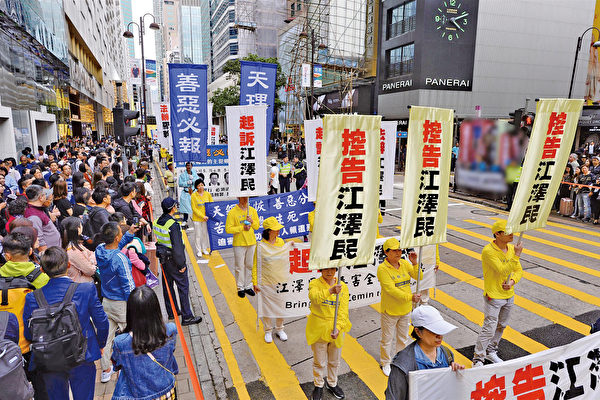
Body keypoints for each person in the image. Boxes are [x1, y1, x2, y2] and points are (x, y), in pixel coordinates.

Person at [23, 246, 108, 400]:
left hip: (49, 358)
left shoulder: (32, 297)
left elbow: (29, 333)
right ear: (68, 265)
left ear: (42, 270)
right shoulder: (86, 289)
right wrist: (100, 343)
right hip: (82, 353)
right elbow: (102, 321)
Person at [111, 286, 179, 399]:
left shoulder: (121, 342)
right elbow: (171, 351)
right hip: (167, 392)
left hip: (139, 396)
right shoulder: (170, 330)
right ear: (156, 309)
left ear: (130, 312)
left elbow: (116, 364)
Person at [385, 306, 464, 400]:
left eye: (441, 330)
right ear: (418, 332)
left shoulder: (447, 354)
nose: (439, 336)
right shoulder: (403, 365)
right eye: (434, 331)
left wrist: (455, 374)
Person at [472, 219, 523, 367]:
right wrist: (517, 256)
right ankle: (478, 358)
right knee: (489, 327)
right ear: (497, 234)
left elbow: (518, 270)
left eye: (511, 231)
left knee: (501, 325)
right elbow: (502, 270)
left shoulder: (512, 249)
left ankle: (491, 350)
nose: (511, 234)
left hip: (509, 295)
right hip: (493, 296)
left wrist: (512, 282)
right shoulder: (488, 251)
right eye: (507, 232)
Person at [95, 221, 138, 383]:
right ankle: (133, 366)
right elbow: (128, 285)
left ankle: (106, 370)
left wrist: (128, 235)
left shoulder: (100, 250)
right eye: (121, 232)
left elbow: (114, 248)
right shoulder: (120, 258)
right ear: (117, 237)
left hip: (106, 301)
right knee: (132, 335)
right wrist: (135, 305)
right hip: (122, 304)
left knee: (106, 337)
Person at [153, 197, 202, 325]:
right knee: (183, 287)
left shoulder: (157, 221)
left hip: (164, 260)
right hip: (174, 260)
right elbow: (178, 247)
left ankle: (172, 311)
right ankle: (187, 316)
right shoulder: (173, 225)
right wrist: (181, 264)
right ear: (173, 208)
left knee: (167, 286)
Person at [377, 238, 421, 377]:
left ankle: (400, 360)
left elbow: (418, 276)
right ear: (386, 252)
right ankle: (385, 362)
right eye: (394, 250)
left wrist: (414, 263)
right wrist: (410, 297)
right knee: (387, 338)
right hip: (390, 310)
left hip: (405, 309)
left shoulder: (404, 263)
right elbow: (390, 290)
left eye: (399, 249)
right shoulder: (383, 269)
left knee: (402, 338)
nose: (398, 252)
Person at [306, 267, 351, 400]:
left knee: (334, 360)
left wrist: (338, 327)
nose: (329, 272)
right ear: (321, 269)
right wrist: (330, 291)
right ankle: (318, 385)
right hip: (318, 327)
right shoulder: (314, 283)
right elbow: (314, 298)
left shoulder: (343, 287)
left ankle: (332, 383)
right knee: (319, 361)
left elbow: (343, 310)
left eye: (332, 269)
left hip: (335, 330)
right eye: (326, 269)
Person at [252, 217, 294, 343]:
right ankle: (268, 331)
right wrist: (255, 282)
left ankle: (280, 329)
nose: (278, 231)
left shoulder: (281, 242)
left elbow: (286, 256)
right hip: (266, 281)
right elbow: (255, 265)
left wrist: (291, 246)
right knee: (267, 307)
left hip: (281, 280)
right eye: (276, 229)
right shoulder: (260, 246)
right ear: (269, 231)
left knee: (281, 306)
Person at [225, 197, 259, 298]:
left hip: (251, 242)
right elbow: (228, 229)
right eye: (243, 197)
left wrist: (252, 221)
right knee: (239, 266)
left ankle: (248, 286)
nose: (245, 199)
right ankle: (240, 287)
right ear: (238, 197)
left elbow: (257, 226)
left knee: (249, 265)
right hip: (239, 243)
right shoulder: (232, 212)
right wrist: (242, 228)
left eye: (247, 197)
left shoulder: (252, 210)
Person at [25, 185, 61, 251]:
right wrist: (47, 256)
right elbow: (39, 240)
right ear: (41, 197)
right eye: (44, 194)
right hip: (50, 254)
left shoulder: (38, 209)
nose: (46, 196)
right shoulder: (33, 216)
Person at [62, 216, 97, 283]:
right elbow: (90, 271)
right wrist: (91, 262)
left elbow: (91, 253)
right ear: (77, 229)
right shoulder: (73, 250)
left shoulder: (76, 244)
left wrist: (90, 261)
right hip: (81, 285)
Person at [190, 179, 213, 257]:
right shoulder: (193, 195)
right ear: (196, 187)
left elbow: (211, 204)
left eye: (202, 185)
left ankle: (204, 249)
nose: (201, 187)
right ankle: (198, 250)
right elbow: (194, 208)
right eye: (199, 185)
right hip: (197, 219)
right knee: (198, 235)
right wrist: (203, 216)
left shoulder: (207, 194)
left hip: (206, 219)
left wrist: (209, 215)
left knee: (204, 234)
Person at [178, 162, 196, 229]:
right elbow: (180, 183)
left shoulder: (194, 174)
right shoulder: (182, 175)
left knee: (194, 206)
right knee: (185, 208)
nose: (189, 167)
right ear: (185, 167)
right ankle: (185, 220)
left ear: (192, 166)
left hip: (193, 192)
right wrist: (186, 183)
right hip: (186, 192)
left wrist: (193, 180)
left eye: (190, 165)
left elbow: (197, 181)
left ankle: (195, 219)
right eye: (187, 165)